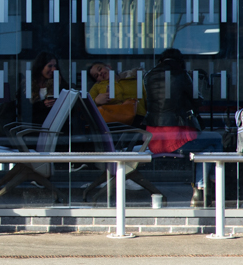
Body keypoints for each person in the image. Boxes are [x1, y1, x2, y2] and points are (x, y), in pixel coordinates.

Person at [144, 47, 223, 207]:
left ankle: (203, 186)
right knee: (215, 140)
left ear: (161, 60)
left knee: (207, 148)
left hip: (153, 138)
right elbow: (197, 101)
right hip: (176, 137)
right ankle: (206, 185)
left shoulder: (149, 76)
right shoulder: (181, 74)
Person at [87, 61, 146, 126]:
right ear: (97, 80)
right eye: (96, 76)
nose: (100, 73)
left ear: (108, 66)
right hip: (113, 121)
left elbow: (149, 99)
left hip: (139, 119)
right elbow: (87, 104)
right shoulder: (97, 87)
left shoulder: (134, 79)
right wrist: (96, 101)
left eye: (100, 69)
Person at [30, 51, 69, 124]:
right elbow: (24, 108)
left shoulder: (60, 83)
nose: (53, 69)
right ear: (41, 66)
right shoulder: (28, 85)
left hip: (55, 124)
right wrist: (43, 104)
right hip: (34, 124)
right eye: (50, 66)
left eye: (55, 66)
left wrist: (59, 85)